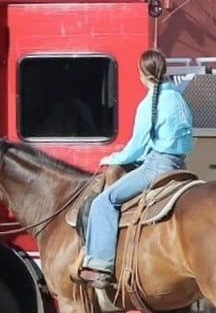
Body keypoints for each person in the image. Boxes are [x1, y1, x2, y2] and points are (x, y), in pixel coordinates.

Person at [78, 48, 194, 289]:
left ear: (143, 74)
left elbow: (136, 148)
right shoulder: (179, 99)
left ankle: (100, 265)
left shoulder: (149, 104)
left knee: (104, 202)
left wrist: (112, 158)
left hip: (157, 166)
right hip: (179, 166)